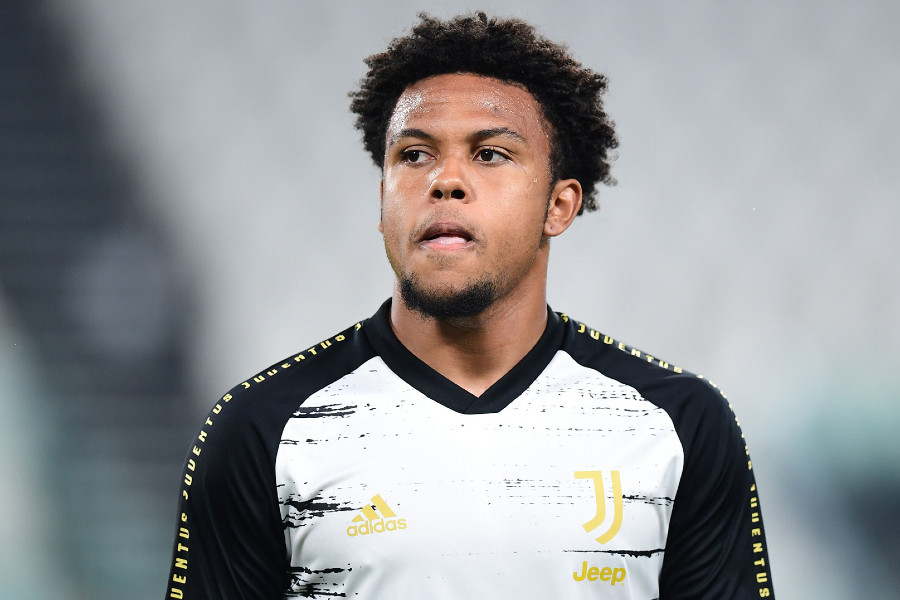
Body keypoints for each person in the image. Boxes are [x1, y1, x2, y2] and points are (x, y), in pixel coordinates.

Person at [164, 12, 774, 600]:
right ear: (382, 201)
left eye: (490, 154)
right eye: (414, 154)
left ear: (558, 206)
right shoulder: (264, 428)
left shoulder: (676, 424)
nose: (445, 180)